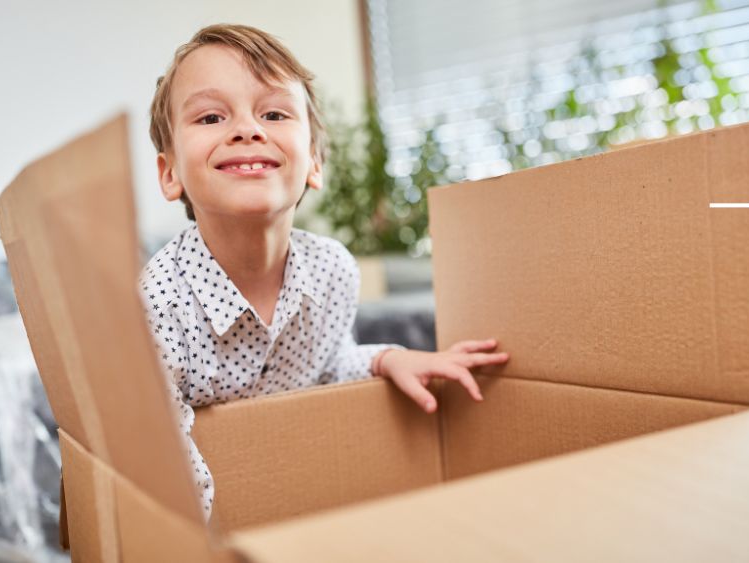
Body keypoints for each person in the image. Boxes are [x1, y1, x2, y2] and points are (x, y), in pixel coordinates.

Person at [140, 23, 509, 519]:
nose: (247, 129)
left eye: (274, 113)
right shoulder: (158, 306)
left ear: (314, 162)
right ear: (170, 174)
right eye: (210, 117)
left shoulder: (332, 271)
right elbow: (162, 464)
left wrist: (388, 360)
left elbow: (329, 367)